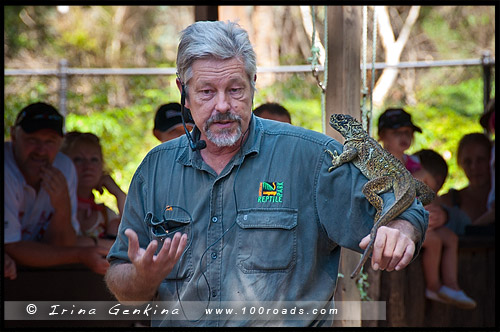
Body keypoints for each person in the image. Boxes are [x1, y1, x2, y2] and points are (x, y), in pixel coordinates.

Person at [105, 21, 428, 327]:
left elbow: (406, 207)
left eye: (235, 89)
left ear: (253, 84)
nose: (222, 105)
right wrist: (142, 277)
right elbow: (122, 283)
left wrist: (399, 230)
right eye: (206, 92)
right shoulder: (156, 168)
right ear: (183, 92)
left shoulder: (312, 158)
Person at [4, 102, 109, 276]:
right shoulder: (7, 169)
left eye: (50, 142)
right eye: (32, 140)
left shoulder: (63, 166)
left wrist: (62, 207)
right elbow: (11, 246)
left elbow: (63, 245)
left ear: (60, 142)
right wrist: (80, 255)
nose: (41, 150)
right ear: (13, 135)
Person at [413, 149, 476, 309]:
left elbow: (465, 224)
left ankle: (451, 285)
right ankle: (433, 287)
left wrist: (444, 216)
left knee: (450, 238)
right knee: (434, 241)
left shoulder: (440, 207)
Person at [61, 131, 126, 250]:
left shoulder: (105, 215)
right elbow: (60, 243)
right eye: (78, 159)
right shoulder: (52, 206)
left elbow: (136, 238)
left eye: (94, 160)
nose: (88, 166)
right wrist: (105, 245)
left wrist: (119, 194)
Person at [440, 133, 492, 230]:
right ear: (460, 164)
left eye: (480, 160)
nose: (474, 167)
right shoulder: (449, 202)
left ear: (491, 160)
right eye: (467, 161)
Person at [377, 108, 426, 178]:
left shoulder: (416, 163)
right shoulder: (375, 164)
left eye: (407, 132)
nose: (404, 136)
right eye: (396, 132)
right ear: (382, 135)